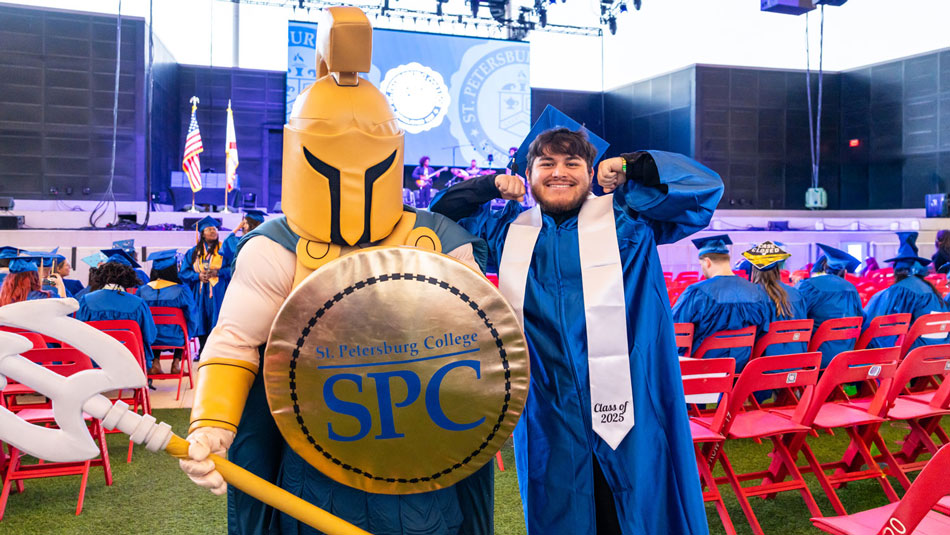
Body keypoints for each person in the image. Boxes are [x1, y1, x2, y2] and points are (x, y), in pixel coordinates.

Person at [179, 9, 493, 535]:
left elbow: (484, 342)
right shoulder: (277, 247)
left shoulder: (436, 238)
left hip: (423, 471)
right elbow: (235, 342)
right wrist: (212, 422)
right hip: (317, 467)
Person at [430, 125, 721, 534]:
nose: (559, 172)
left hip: (633, 403)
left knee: (640, 511)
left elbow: (703, 187)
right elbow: (440, 218)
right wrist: (490, 185)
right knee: (563, 512)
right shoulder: (508, 232)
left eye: (572, 163)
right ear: (527, 175)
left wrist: (630, 165)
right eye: (545, 163)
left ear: (590, 173)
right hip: (550, 408)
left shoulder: (629, 219)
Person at [672, 234, 771, 371]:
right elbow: (762, 332)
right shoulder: (757, 292)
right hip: (741, 370)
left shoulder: (697, 292)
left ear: (707, 262)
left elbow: (677, 333)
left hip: (702, 371)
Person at [75, 261, 158, 380]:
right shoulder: (138, 303)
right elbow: (150, 335)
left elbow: (79, 332)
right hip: (130, 358)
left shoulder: (86, 301)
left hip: (94, 358)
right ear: (128, 279)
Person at [864, 232, 948, 348]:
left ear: (896, 271)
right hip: (941, 350)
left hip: (917, 353)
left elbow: (879, 328)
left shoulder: (900, 290)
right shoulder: (930, 289)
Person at [796, 243, 865, 366]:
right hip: (845, 353)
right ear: (844, 271)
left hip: (817, 355)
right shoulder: (851, 289)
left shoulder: (810, 286)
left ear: (824, 267)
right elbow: (861, 318)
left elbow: (796, 314)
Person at [137, 249, 198, 376]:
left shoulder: (142, 291)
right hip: (176, 338)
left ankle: (155, 363)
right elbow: (192, 317)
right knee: (183, 325)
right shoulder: (182, 291)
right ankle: (176, 363)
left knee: (153, 326)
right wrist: (189, 335)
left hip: (150, 339)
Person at [743, 241, 808, 356]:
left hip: (763, 365)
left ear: (754, 269)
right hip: (796, 361)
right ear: (778, 269)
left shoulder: (751, 296)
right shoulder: (797, 294)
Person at [180, 215, 232, 352]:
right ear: (202, 233)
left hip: (219, 290)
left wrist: (218, 272)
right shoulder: (193, 252)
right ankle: (203, 350)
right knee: (202, 320)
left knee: (218, 320)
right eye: (209, 229)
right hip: (200, 291)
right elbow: (184, 272)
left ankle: (217, 351)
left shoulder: (225, 250)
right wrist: (197, 276)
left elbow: (234, 267)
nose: (213, 231)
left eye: (214, 229)